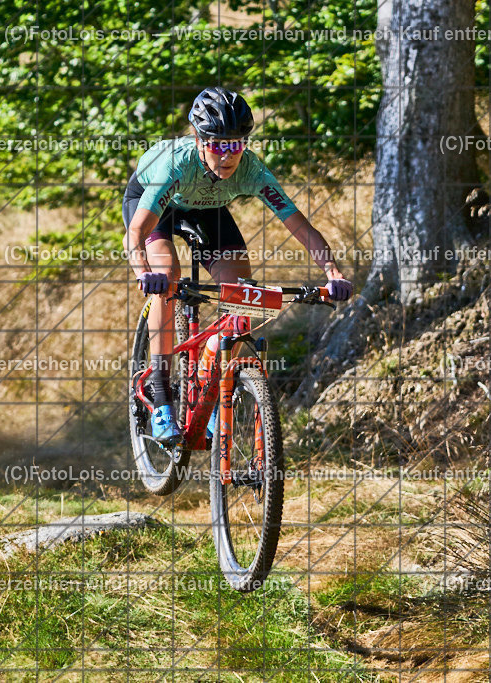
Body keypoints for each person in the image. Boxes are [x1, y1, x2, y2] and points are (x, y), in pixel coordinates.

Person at [123, 86, 353, 444]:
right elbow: (136, 232)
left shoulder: (252, 170)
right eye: (217, 144)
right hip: (157, 203)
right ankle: (160, 389)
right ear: (198, 140)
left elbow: (301, 227)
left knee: (243, 296)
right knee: (168, 277)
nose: (227, 156)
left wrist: (332, 273)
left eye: (236, 144)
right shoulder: (175, 163)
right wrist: (143, 274)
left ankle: (211, 385)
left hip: (209, 207)